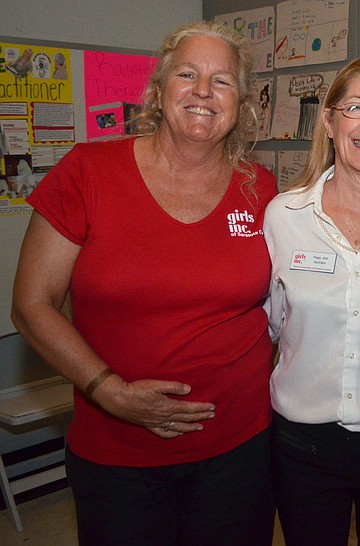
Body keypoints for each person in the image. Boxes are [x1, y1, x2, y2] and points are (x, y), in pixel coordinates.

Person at [11, 21, 277, 546]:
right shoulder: (87, 172)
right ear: (158, 90)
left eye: (222, 80)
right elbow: (31, 305)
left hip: (239, 450)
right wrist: (108, 390)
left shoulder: (260, 187)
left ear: (242, 104)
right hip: (117, 453)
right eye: (188, 74)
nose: (204, 91)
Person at [263, 56, 360, 546]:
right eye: (356, 107)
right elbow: (272, 325)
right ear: (330, 122)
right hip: (300, 447)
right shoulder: (283, 216)